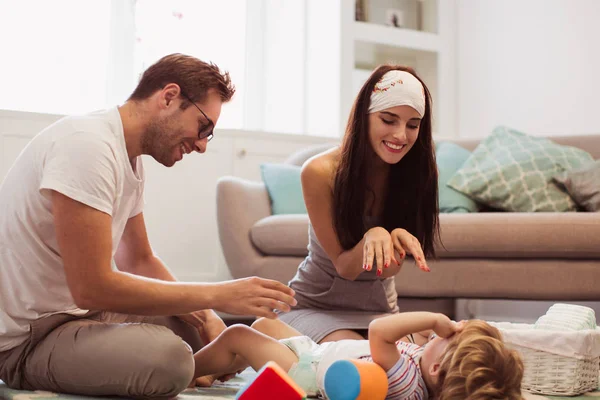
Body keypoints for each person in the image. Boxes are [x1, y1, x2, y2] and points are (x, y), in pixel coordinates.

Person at [0, 53, 296, 398]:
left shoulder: (127, 158)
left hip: (86, 314)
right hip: (31, 339)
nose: (202, 145)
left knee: (192, 335)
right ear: (169, 97)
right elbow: (91, 286)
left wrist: (209, 318)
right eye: (204, 128)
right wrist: (221, 293)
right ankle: (184, 369)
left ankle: (198, 357)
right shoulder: (86, 147)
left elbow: (140, 260)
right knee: (171, 360)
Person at [278, 64, 439, 344]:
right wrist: (373, 236)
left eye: (413, 125)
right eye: (389, 120)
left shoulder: (414, 172)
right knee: (360, 359)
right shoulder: (319, 171)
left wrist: (395, 244)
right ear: (364, 117)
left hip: (378, 312)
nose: (401, 135)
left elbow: (385, 271)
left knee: (428, 357)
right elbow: (345, 267)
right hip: (315, 307)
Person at [191, 312, 525, 399]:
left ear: (436, 368)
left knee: (239, 335)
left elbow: (379, 329)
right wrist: (442, 335)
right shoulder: (422, 373)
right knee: (266, 324)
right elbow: (415, 339)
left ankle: (189, 369)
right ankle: (222, 369)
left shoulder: (407, 381)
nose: (444, 330)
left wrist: (435, 320)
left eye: (450, 336)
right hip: (315, 353)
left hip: (303, 372)